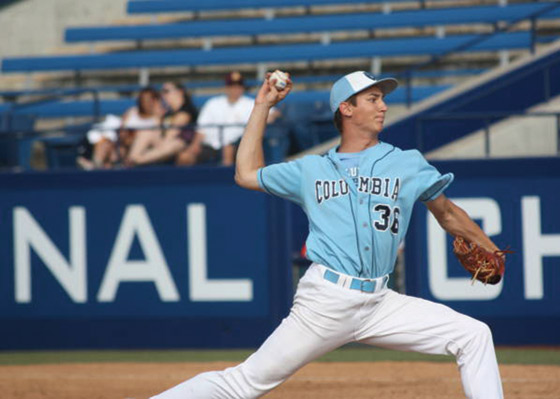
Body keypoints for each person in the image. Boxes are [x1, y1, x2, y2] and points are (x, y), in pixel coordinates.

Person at [150, 71, 505, 399]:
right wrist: (262, 106)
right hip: (326, 302)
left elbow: (446, 212)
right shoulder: (312, 169)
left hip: (381, 301)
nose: (383, 105)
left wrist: (489, 247)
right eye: (373, 98)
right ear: (346, 109)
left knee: (473, 335)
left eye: (382, 98)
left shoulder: (407, 162)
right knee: (244, 383)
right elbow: (246, 173)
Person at [177, 71, 278, 166]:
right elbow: (201, 129)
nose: (235, 89)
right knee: (184, 157)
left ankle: (224, 182)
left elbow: (274, 113)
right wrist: (195, 145)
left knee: (228, 149)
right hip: (210, 146)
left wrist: (265, 119)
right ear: (226, 87)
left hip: (239, 146)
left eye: (238, 86)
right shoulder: (213, 103)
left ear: (242, 88)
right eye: (232, 86)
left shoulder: (250, 103)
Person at [76, 87, 162, 170]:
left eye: (149, 99)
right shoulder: (132, 111)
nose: (146, 102)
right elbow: (122, 129)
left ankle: (97, 167)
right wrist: (124, 136)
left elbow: (154, 137)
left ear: (154, 100)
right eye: (143, 99)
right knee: (104, 143)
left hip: (136, 146)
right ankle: (96, 167)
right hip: (121, 141)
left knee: (118, 152)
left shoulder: (156, 119)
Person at [127, 81, 198, 166]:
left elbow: (170, 135)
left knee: (176, 143)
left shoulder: (186, 112)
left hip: (179, 147)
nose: (163, 95)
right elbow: (160, 131)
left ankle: (137, 160)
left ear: (180, 92)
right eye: (162, 92)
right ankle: (132, 158)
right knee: (146, 132)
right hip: (165, 145)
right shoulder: (169, 113)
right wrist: (157, 116)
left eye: (166, 91)